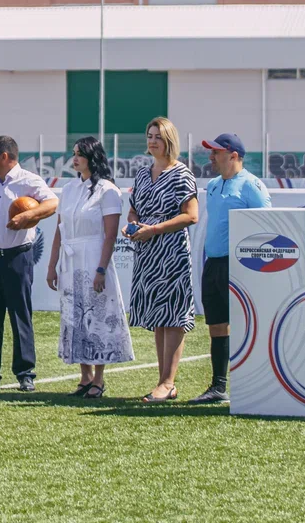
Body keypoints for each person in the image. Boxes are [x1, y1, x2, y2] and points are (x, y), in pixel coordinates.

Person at [0, 136, 58, 393]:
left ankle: (25, 374)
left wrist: (29, 214)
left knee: (20, 317)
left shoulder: (29, 181)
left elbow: (52, 203)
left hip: (17, 257)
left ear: (4, 156)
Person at [45, 136, 133, 399]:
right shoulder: (69, 189)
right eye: (74, 153)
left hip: (94, 255)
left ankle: (99, 378)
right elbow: (60, 230)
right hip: (71, 259)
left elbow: (110, 235)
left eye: (80, 154)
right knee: (74, 315)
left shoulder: (108, 190)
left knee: (97, 315)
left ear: (92, 157)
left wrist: (101, 269)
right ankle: (83, 376)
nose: (75, 158)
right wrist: (52, 265)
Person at [191, 133, 271, 405]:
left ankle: (254, 384)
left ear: (233, 155)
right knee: (217, 325)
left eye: (215, 152)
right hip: (212, 262)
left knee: (244, 325)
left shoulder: (251, 186)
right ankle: (218, 387)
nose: (211, 157)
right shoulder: (213, 185)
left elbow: (267, 226)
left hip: (237, 265)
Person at [124, 117, 199, 403]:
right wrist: (131, 225)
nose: (152, 140)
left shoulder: (182, 174)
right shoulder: (142, 174)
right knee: (158, 317)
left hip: (171, 253)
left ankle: (168, 382)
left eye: (158, 136)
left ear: (169, 140)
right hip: (146, 253)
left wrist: (154, 228)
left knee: (173, 315)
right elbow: (133, 211)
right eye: (149, 135)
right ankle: (163, 382)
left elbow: (191, 215)